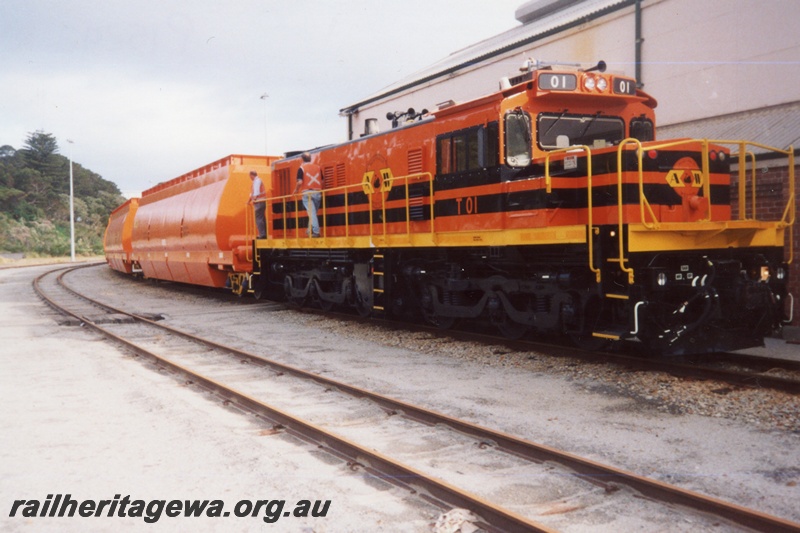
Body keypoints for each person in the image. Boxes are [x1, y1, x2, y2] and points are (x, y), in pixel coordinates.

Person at [292, 152, 322, 237]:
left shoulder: (301, 168)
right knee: (313, 213)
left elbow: (300, 182)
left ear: (302, 159)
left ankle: (316, 232)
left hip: (307, 193)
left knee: (311, 213)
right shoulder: (318, 167)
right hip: (318, 192)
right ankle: (309, 230)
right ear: (310, 159)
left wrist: (296, 190)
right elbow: (322, 181)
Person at [248, 170, 266, 239]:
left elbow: (256, 193)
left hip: (259, 202)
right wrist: (248, 201)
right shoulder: (255, 182)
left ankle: (262, 235)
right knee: (262, 218)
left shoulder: (257, 181)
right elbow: (252, 194)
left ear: (252, 175)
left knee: (258, 218)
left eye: (250, 176)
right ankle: (264, 233)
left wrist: (253, 200)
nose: (250, 177)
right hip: (261, 201)